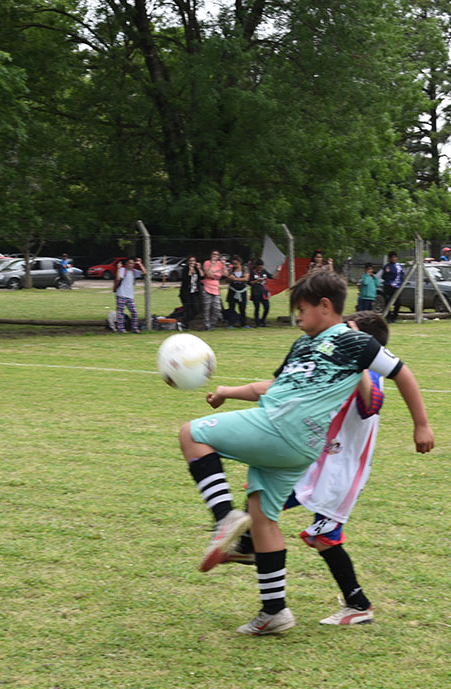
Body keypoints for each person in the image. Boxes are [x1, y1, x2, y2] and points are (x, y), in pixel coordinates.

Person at [181, 271, 434, 634]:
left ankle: (226, 521)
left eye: (301, 309)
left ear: (325, 307)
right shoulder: (305, 346)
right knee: (263, 516)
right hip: (308, 455)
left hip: (321, 456)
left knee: (191, 434)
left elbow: (378, 398)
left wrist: (420, 423)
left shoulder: (355, 351)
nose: (296, 316)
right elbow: (274, 385)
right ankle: (273, 610)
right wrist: (228, 391)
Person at [223, 311, 393, 626]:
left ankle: (359, 605)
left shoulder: (370, 374)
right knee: (261, 496)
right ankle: (248, 547)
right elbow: (278, 388)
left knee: (324, 538)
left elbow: (372, 405)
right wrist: (229, 392)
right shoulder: (339, 366)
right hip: (317, 463)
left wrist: (360, 361)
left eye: (347, 332)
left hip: (340, 474)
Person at [112, 257, 144, 333]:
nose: (131, 265)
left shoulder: (134, 271)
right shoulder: (123, 270)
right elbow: (118, 278)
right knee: (120, 312)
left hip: (130, 295)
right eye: (129, 263)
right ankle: (121, 328)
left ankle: (134, 328)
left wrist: (140, 264)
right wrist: (118, 269)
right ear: (126, 263)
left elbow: (144, 272)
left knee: (134, 312)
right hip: (121, 293)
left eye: (132, 263)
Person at [200, 250, 225, 330]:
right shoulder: (207, 263)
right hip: (207, 286)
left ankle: (212, 324)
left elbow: (225, 274)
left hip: (216, 287)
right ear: (210, 255)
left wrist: (224, 265)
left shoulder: (220, 264)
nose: (215, 256)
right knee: (206, 308)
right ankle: (207, 325)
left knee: (217, 308)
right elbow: (208, 274)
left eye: (217, 254)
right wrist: (212, 265)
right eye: (213, 254)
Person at [381, 252, 406, 323]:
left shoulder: (399, 266)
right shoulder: (387, 266)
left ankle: (394, 317)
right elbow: (384, 277)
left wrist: (401, 281)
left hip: (397, 287)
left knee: (398, 303)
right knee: (388, 302)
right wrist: (387, 273)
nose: (394, 259)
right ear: (390, 258)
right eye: (392, 257)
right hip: (389, 286)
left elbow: (402, 275)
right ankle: (388, 317)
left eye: (395, 257)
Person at [178, 256, 202, 328]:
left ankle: (184, 321)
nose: (192, 262)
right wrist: (190, 272)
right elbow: (185, 280)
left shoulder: (196, 269)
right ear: (188, 262)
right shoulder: (185, 269)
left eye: (193, 261)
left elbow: (202, 276)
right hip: (186, 293)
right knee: (187, 309)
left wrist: (199, 268)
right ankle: (184, 323)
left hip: (194, 292)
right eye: (190, 261)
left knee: (196, 309)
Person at [226, 255, 249, 328]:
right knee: (231, 307)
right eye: (233, 264)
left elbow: (246, 279)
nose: (234, 265)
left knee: (242, 308)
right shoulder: (231, 270)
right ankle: (231, 323)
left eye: (236, 264)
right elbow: (227, 280)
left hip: (242, 291)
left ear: (240, 262)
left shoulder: (244, 269)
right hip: (232, 290)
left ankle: (243, 323)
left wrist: (235, 279)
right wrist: (229, 278)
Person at [249, 258, 270, 327]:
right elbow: (249, 282)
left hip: (264, 293)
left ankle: (263, 320)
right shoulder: (252, 272)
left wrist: (278, 270)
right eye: (259, 267)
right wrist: (257, 280)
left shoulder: (264, 271)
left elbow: (272, 276)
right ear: (256, 266)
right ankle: (257, 322)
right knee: (257, 308)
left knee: (267, 307)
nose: (261, 268)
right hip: (256, 292)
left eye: (262, 267)